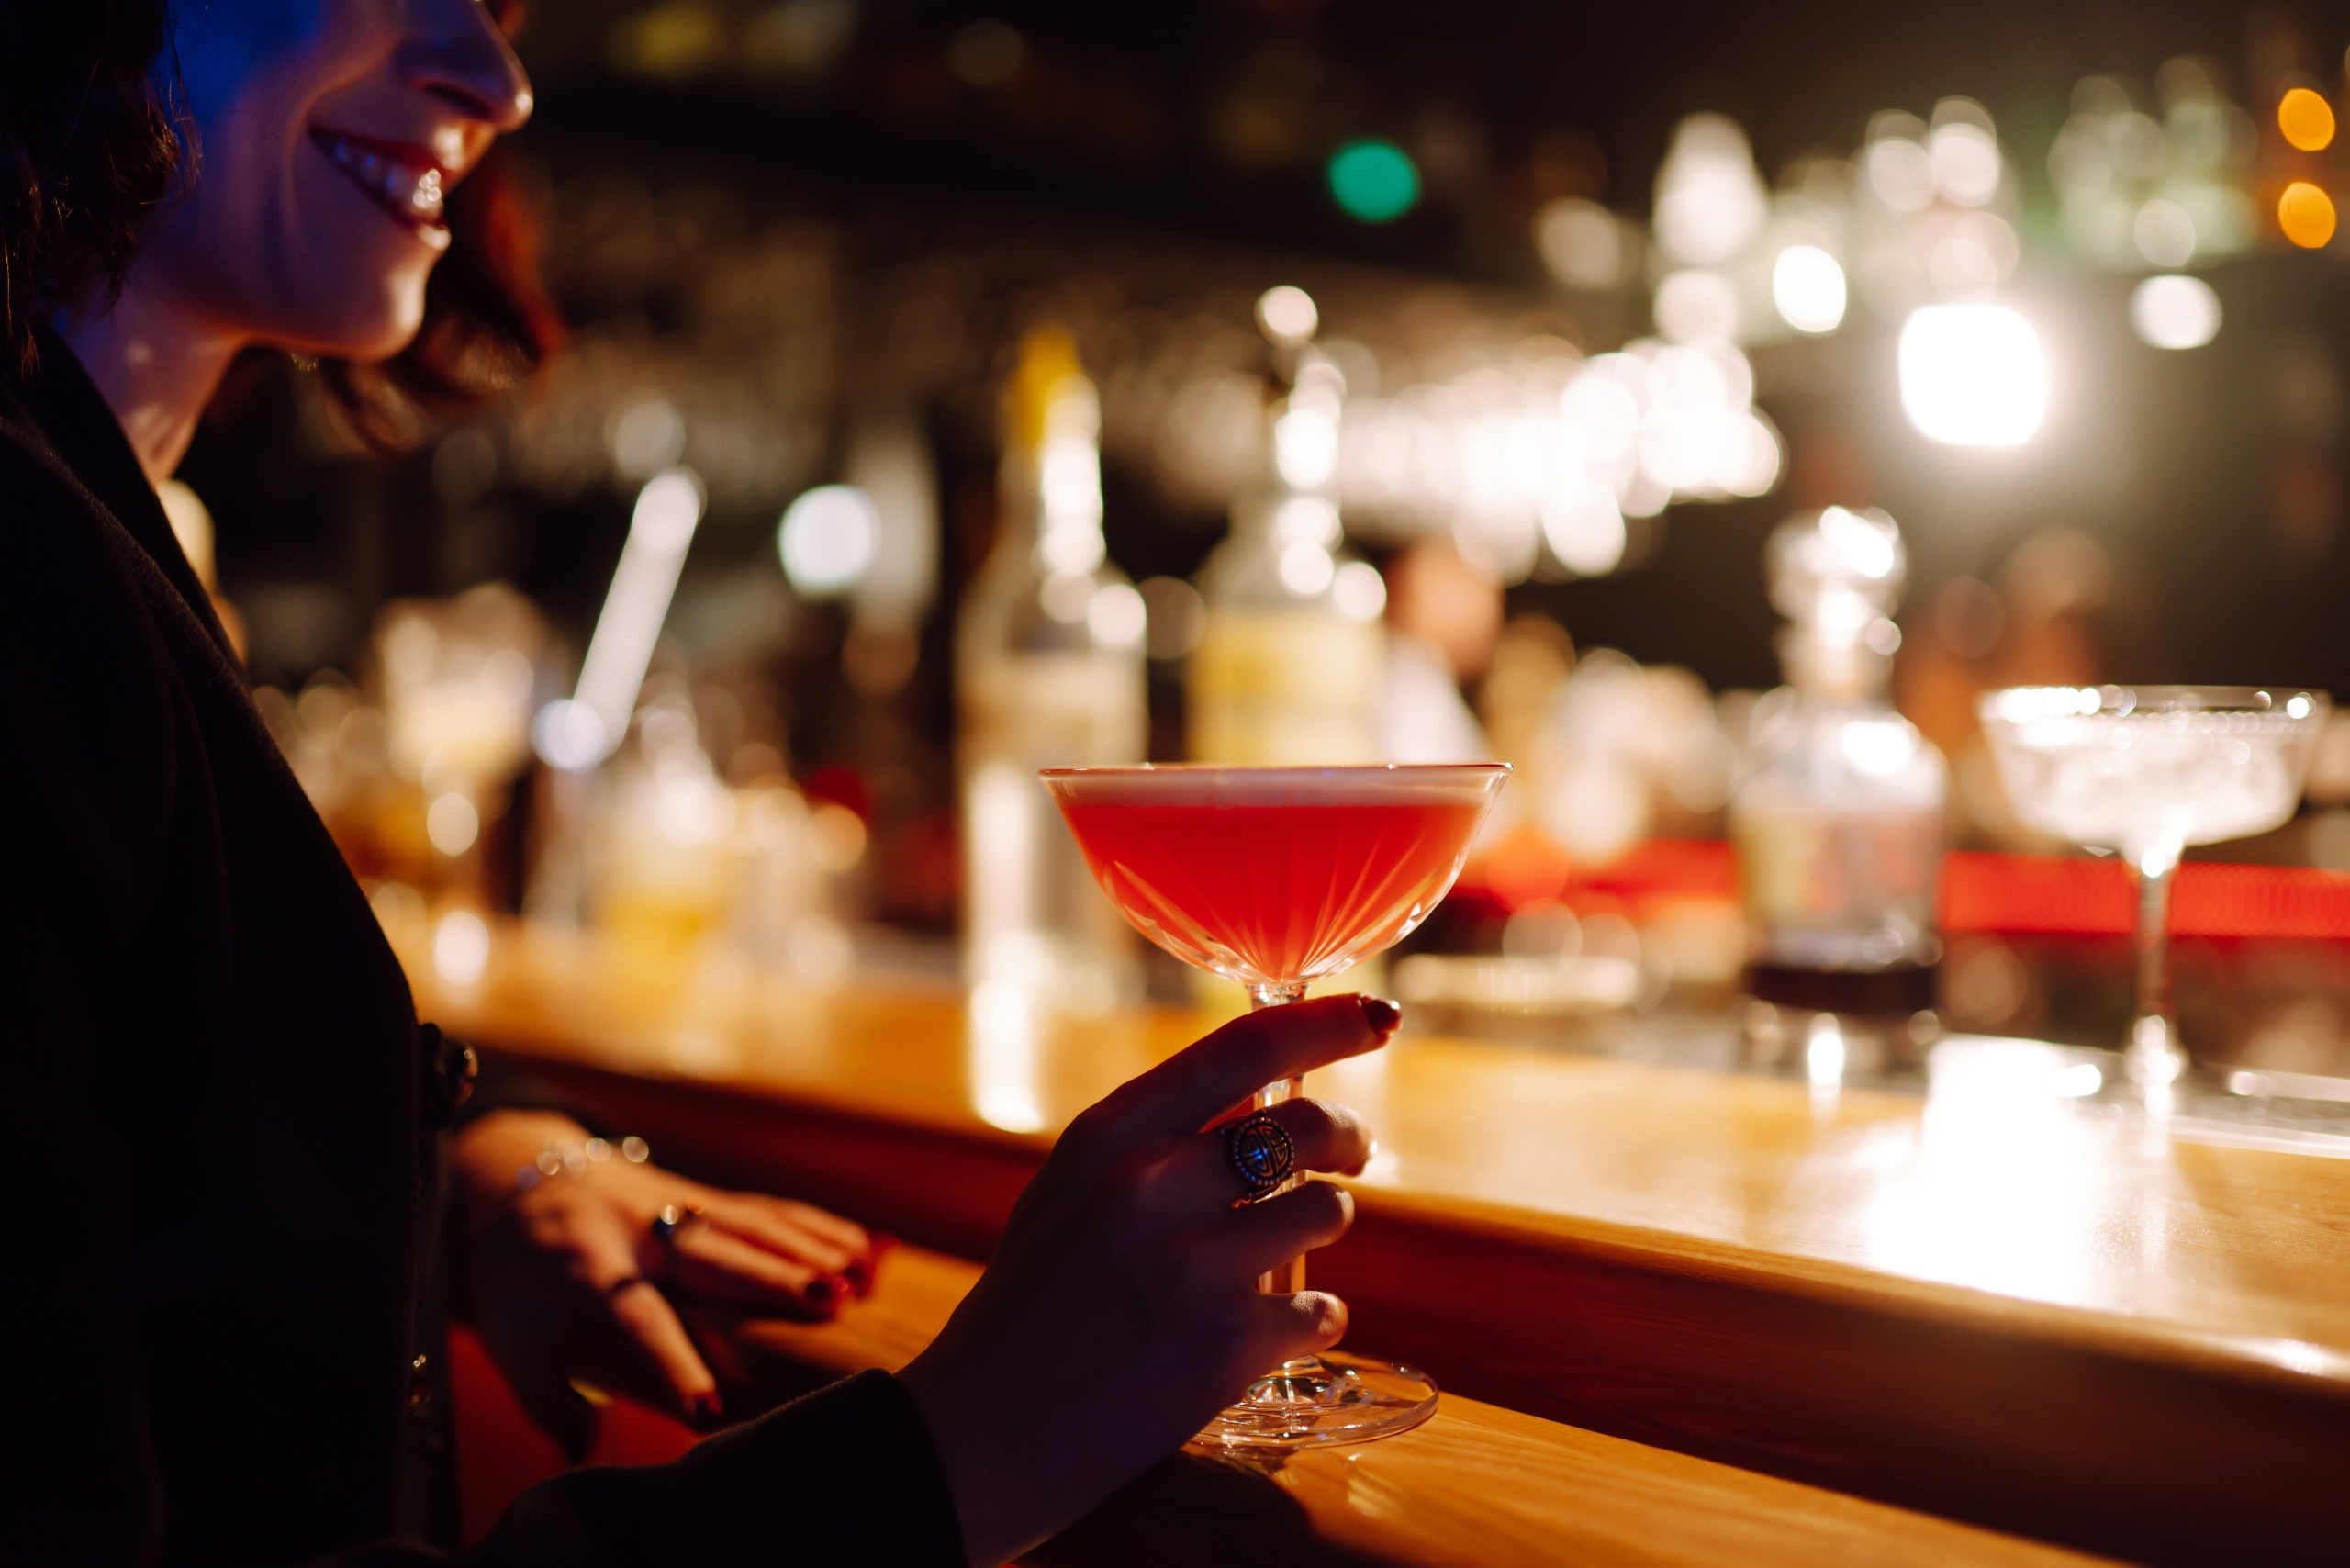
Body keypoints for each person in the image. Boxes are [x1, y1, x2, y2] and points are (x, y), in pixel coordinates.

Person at [2, 3, 1393, 1564]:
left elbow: (153, 1078)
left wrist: (467, 1152)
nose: (497, 78)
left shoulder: (98, 537)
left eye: (507, 7)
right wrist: (963, 1446)